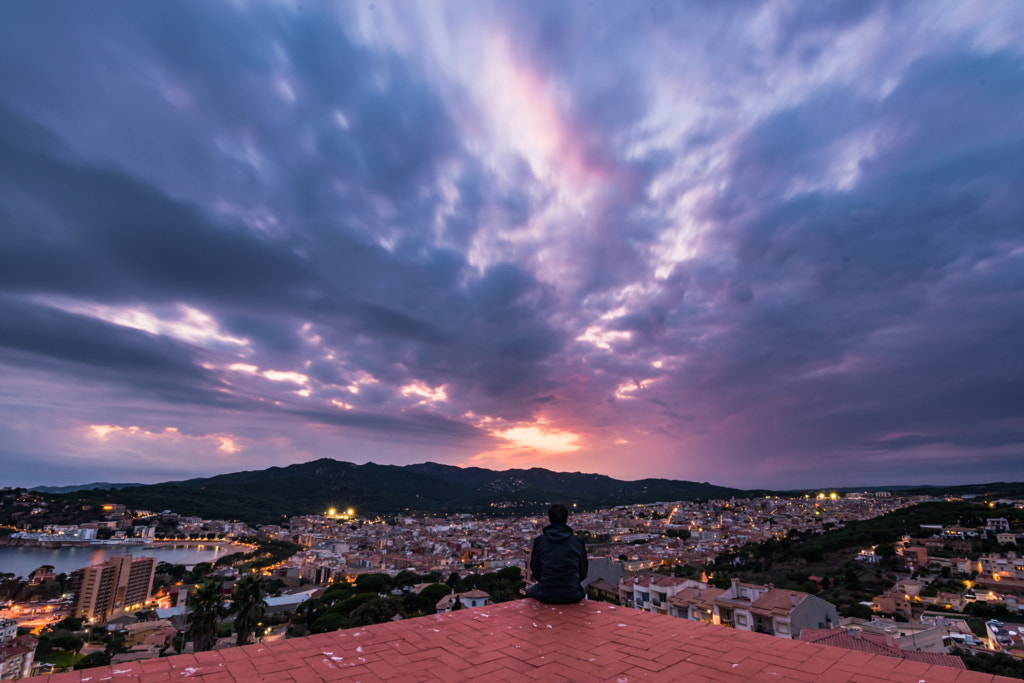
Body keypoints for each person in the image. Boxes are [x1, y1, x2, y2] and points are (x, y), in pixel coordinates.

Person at [526, 503, 588, 604]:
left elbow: (536, 572)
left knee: (529, 591)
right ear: (566, 519)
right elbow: (583, 573)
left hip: (545, 593)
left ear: (549, 519)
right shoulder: (577, 542)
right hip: (573, 593)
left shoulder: (540, 541)